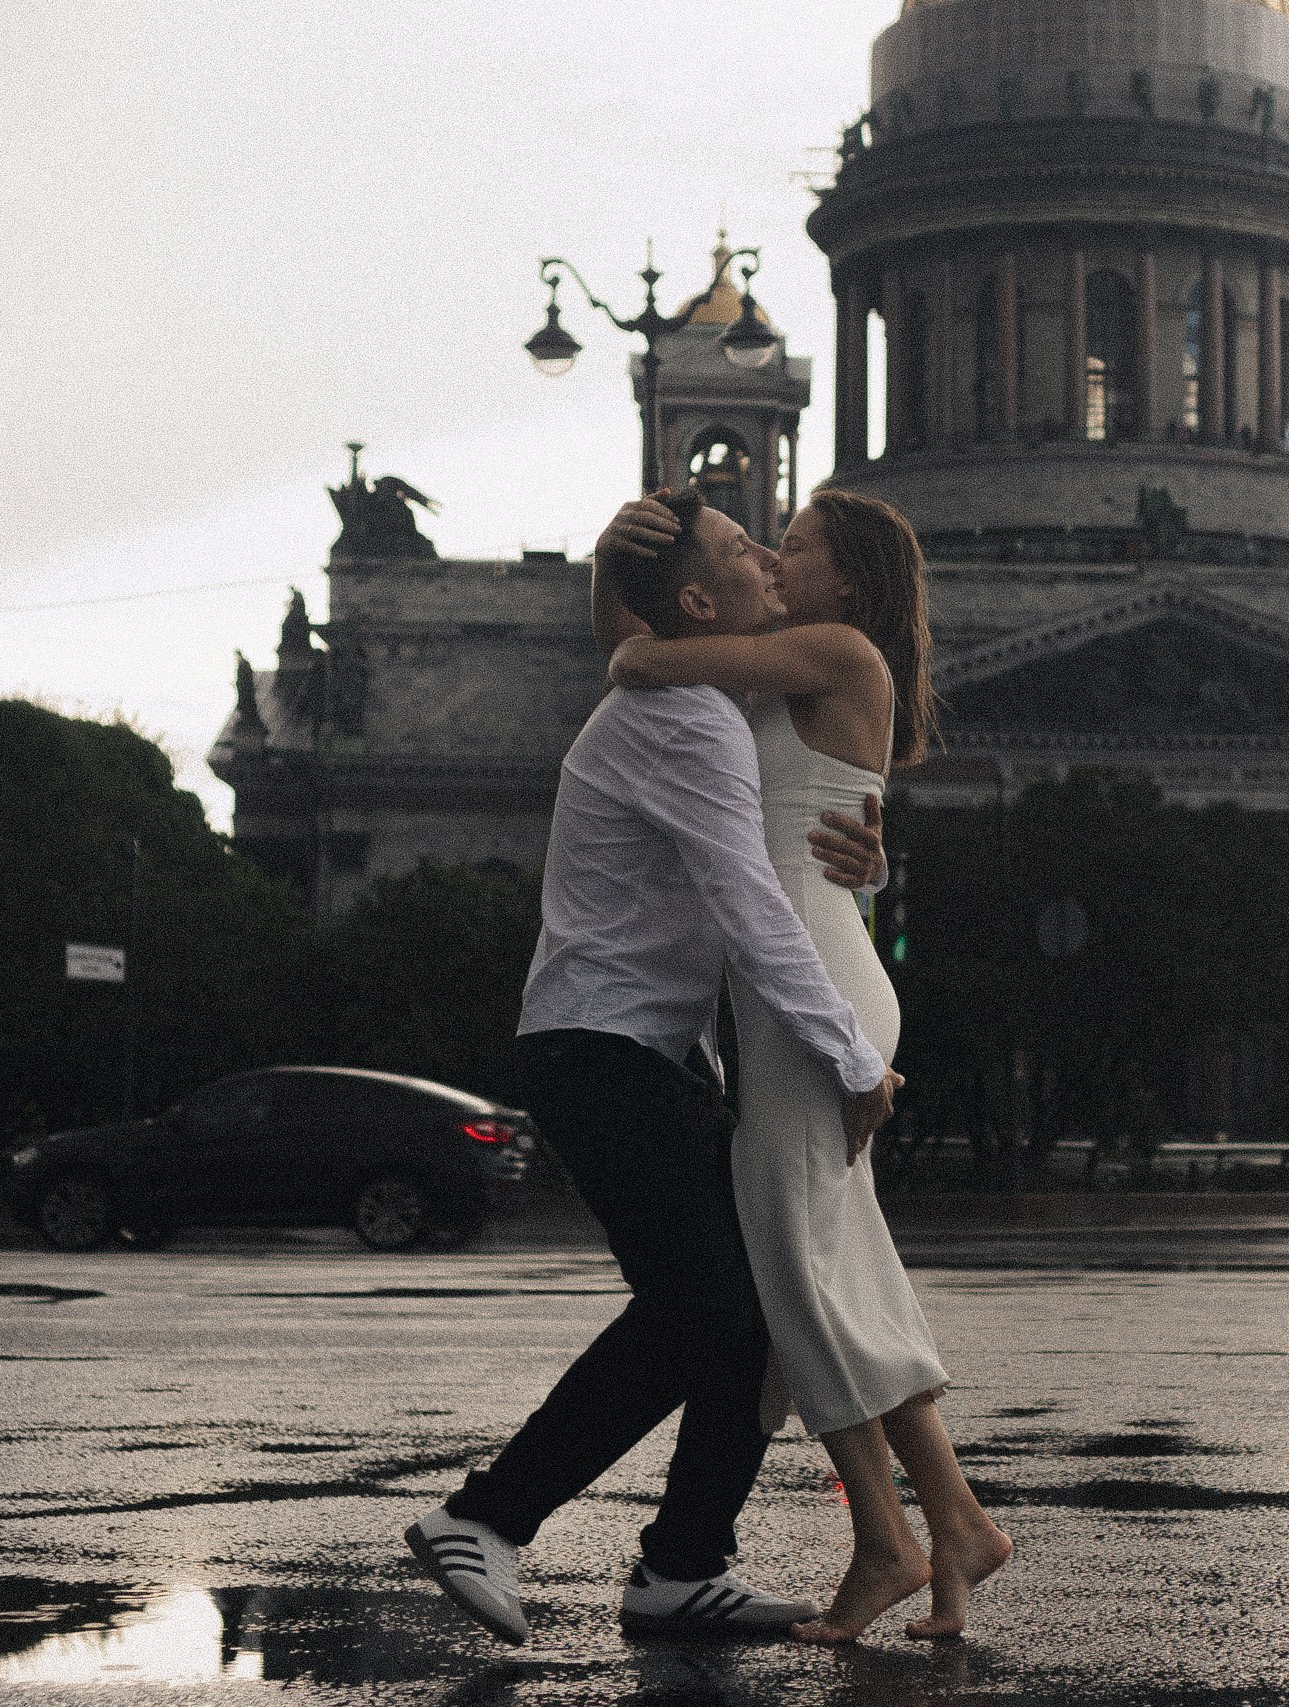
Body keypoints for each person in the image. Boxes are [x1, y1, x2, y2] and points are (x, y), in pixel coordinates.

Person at [404, 486, 904, 1647]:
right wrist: (846, 1057)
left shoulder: (714, 697)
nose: (772, 559)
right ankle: (486, 1519)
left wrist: (862, 857)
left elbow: (778, 847)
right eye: (745, 549)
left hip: (635, 1049)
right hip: (602, 1049)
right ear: (697, 599)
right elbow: (744, 899)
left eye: (783, 545)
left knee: (743, 1312)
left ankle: (683, 1566)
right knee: (704, 1307)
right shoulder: (689, 719)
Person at [601, 486, 1013, 1643]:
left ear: (851, 579)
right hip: (806, 982)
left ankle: (888, 1542)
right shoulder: (783, 662)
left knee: (793, 1268)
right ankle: (952, 1529)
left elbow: (638, 666)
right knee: (839, 1265)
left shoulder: (829, 649)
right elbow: (642, 646)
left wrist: (625, 586)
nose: (775, 557)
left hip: (812, 993)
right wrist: (612, 566)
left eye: (794, 545)